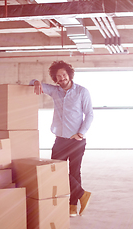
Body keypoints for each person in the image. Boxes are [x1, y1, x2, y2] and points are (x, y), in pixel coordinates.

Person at [29, 60, 93, 217]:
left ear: (69, 75)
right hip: (60, 140)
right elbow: (32, 83)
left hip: (77, 140)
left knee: (75, 172)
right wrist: (36, 81)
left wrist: (81, 133)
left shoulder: (82, 92)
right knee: (56, 169)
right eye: (58, 76)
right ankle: (82, 194)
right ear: (55, 79)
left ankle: (72, 206)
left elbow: (89, 114)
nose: (62, 78)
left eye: (64, 75)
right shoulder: (54, 91)